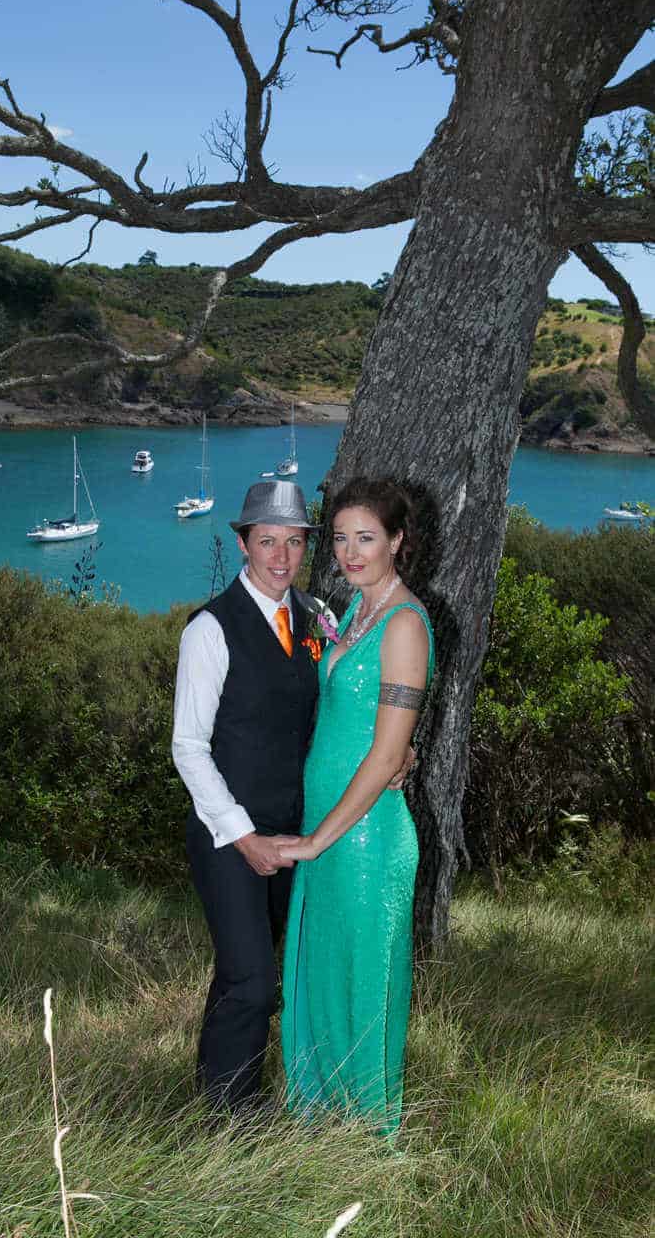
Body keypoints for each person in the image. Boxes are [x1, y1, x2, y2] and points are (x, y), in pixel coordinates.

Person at [277, 476, 434, 1134]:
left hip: (364, 836)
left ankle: (368, 1139)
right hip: (329, 823)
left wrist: (317, 841)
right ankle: (321, 1130)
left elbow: (384, 753)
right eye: (340, 538)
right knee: (324, 973)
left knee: (362, 983)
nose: (349, 552)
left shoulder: (404, 624)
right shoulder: (352, 614)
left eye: (365, 538)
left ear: (396, 541)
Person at [171, 479, 320, 1113]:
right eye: (267, 542)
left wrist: (399, 756)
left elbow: (336, 712)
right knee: (255, 981)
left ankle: (213, 1093)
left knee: (244, 971)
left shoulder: (316, 618)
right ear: (243, 543)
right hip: (227, 835)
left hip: (293, 833)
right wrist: (243, 835)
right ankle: (234, 1120)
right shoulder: (209, 629)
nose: (281, 557)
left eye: (294, 542)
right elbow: (188, 747)